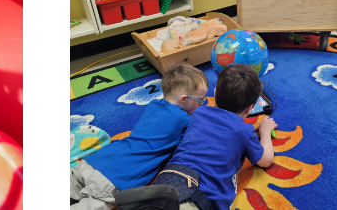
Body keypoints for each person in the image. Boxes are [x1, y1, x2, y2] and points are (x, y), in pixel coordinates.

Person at [71, 64, 207, 210]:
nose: (201, 104)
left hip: (97, 159)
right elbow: (187, 147)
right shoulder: (184, 120)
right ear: (184, 99)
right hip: (117, 177)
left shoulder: (154, 104)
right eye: (200, 100)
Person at [153, 64, 275, 210]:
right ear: (250, 108)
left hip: (166, 181)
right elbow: (266, 160)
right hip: (202, 197)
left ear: (215, 93)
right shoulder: (244, 130)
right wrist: (265, 131)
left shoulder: (198, 113)